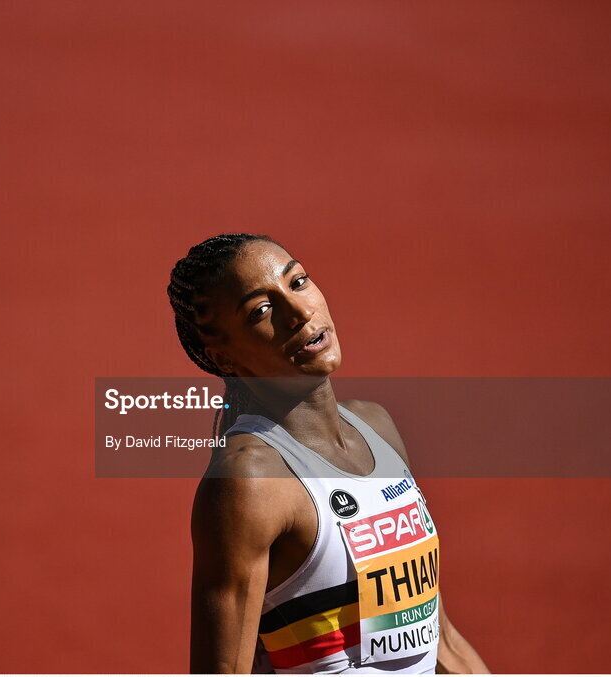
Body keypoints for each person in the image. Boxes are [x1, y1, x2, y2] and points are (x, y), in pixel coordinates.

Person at [167, 234, 489, 674]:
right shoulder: (250, 481)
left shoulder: (376, 428)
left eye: (298, 282)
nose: (299, 313)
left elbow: (441, 639)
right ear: (223, 359)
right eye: (261, 310)